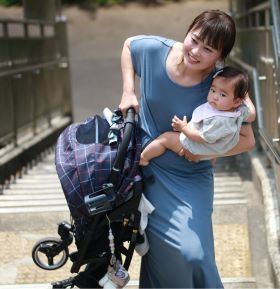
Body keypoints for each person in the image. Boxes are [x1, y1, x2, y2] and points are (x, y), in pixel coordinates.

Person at [119, 9, 256, 288]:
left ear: (220, 56)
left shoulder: (220, 83)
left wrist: (209, 152)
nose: (196, 52)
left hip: (191, 175)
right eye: (194, 40)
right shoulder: (156, 50)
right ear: (188, 32)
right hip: (147, 168)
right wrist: (128, 91)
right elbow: (129, 45)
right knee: (167, 254)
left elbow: (248, 138)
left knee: (193, 253)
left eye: (208, 49)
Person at [139, 66, 255, 165]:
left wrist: (183, 128)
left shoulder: (221, 121)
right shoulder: (238, 110)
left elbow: (201, 138)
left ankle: (143, 158)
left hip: (196, 146)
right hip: (210, 148)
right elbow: (251, 114)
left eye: (223, 95)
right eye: (213, 90)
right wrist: (245, 97)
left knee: (166, 139)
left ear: (236, 101)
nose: (215, 96)